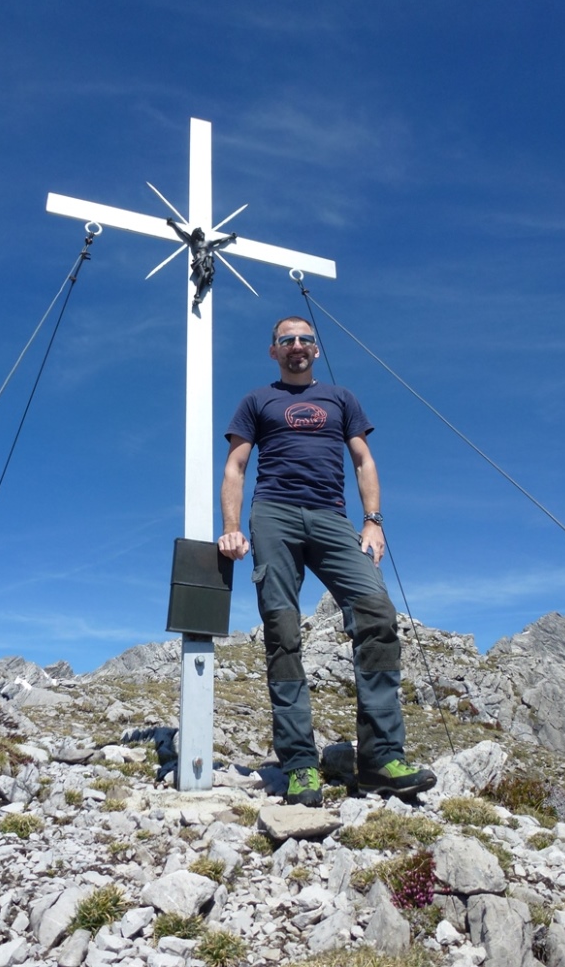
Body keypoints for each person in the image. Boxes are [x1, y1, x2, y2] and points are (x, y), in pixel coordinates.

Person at [218, 316, 436, 806]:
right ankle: (299, 765)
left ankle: (381, 759)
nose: (297, 345)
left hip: (332, 518)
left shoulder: (341, 399)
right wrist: (232, 528)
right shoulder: (257, 400)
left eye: (305, 339)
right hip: (273, 514)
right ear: (273, 351)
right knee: (283, 628)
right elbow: (236, 465)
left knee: (377, 613)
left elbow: (363, 460)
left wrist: (373, 520)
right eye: (286, 340)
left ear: (316, 349)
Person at [166, 218, 237, 312]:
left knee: (206, 276)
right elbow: (182, 232)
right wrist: (173, 224)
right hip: (199, 259)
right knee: (202, 274)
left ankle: (198, 297)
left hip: (207, 261)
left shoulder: (208, 243)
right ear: (197, 234)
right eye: (201, 233)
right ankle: (197, 295)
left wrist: (230, 237)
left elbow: (220, 241)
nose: (203, 234)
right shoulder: (193, 242)